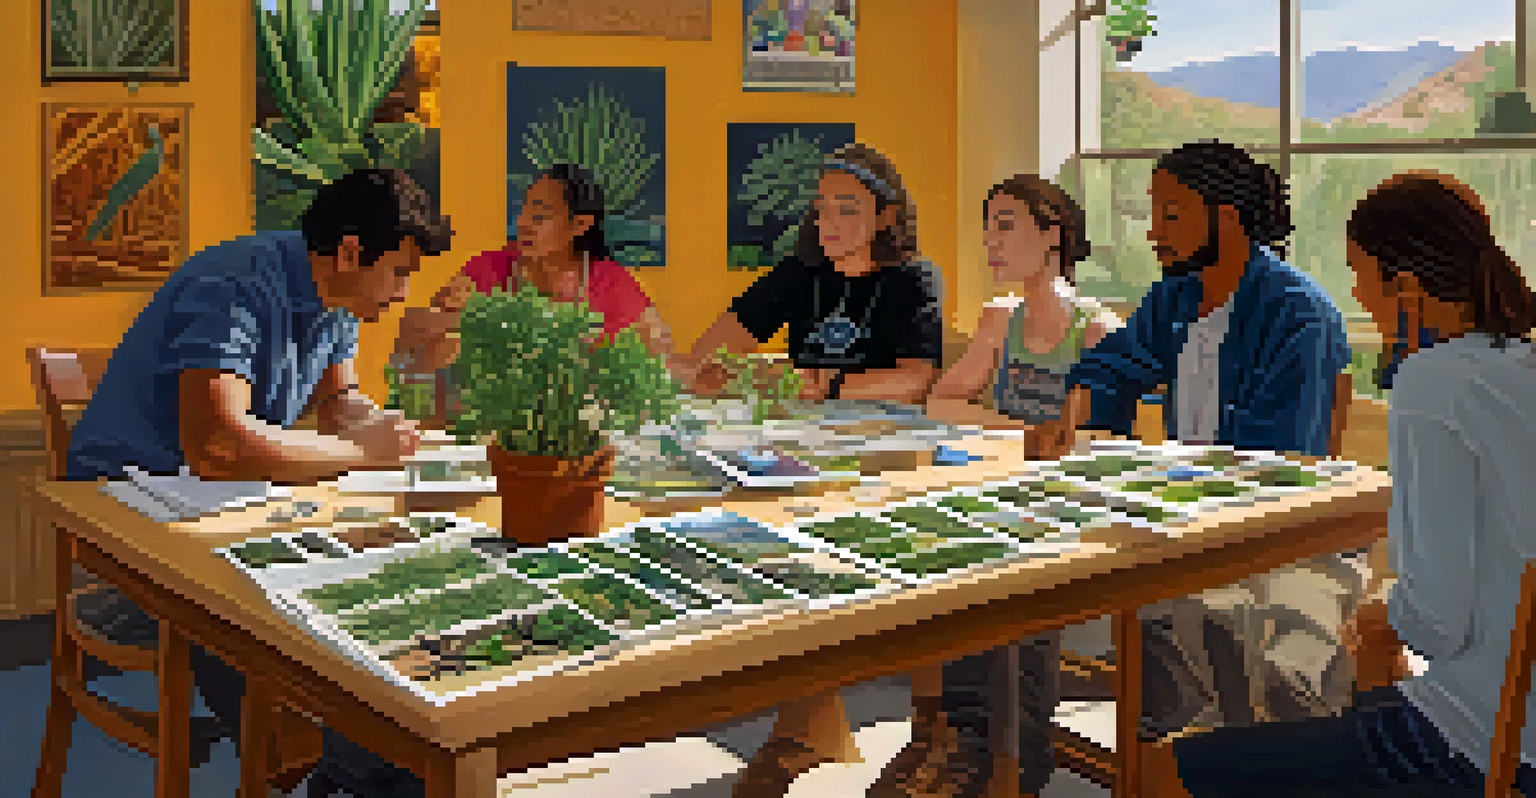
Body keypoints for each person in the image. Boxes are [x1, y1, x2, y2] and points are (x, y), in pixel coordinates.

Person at [1143, 170, 1536, 796]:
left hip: (1479, 748)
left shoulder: (1432, 380)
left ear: (1404, 287)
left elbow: (1435, 621)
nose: (1357, 294)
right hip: (1516, 732)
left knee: (1160, 770)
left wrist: (1380, 614)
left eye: (1361, 277)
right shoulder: (1520, 364)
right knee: (1371, 668)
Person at [62, 169, 451, 787]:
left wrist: (378, 429)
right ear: (351, 252)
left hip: (214, 511)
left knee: (358, 587)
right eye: (399, 272)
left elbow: (341, 399)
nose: (404, 292)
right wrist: (355, 449)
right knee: (265, 615)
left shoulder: (336, 295)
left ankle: (356, 753)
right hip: (125, 528)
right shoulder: (235, 284)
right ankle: (338, 754)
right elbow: (218, 445)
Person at [1028, 140, 1361, 741]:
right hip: (1189, 518)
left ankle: (1183, 757)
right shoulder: (1175, 296)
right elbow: (1118, 364)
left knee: (1172, 615)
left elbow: (1279, 467)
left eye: (1172, 214)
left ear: (1226, 218)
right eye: (1153, 214)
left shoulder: (1297, 315)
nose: (1155, 232)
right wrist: (1075, 407)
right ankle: (1010, 749)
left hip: (1263, 534)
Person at [872, 174, 1118, 798]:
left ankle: (1012, 760)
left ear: (1053, 234)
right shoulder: (999, 319)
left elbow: (1093, 443)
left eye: (1005, 225)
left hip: (1064, 512)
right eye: (988, 226)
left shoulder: (1095, 330)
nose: (990, 241)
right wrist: (1024, 428)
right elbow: (942, 402)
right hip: (996, 498)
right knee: (948, 561)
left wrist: (1023, 434)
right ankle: (954, 743)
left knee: (1014, 598)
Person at [676, 142, 944, 405]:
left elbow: (914, 383)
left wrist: (822, 384)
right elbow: (705, 357)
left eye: (847, 209)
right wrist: (746, 376)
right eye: (822, 208)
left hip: (887, 436)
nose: (829, 221)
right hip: (804, 432)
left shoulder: (916, 278)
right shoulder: (796, 273)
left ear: (886, 216)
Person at [393, 162, 672, 376]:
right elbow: (413, 342)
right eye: (523, 210)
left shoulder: (610, 283)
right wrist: (465, 321)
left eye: (539, 215)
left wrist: (696, 376)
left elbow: (662, 356)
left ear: (579, 225)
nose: (524, 223)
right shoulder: (490, 269)